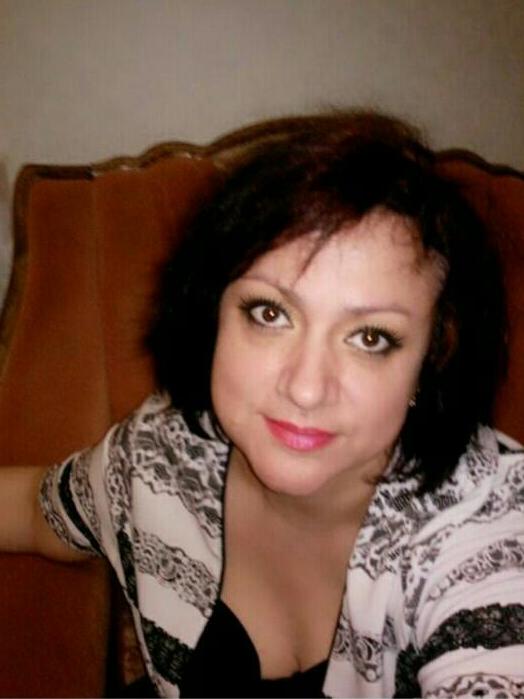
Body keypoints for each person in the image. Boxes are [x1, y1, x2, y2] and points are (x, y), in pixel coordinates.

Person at [2, 110, 524, 699]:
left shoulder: (492, 528)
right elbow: (35, 513)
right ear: (213, 315)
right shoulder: (162, 456)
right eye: (270, 313)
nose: (306, 388)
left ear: (433, 358)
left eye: (370, 337)